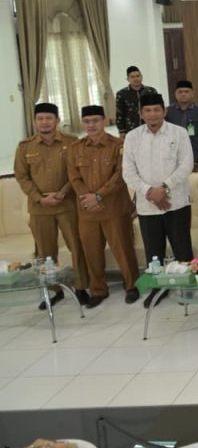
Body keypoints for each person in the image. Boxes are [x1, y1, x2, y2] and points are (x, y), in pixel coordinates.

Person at [122, 93, 194, 307]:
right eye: (147, 110)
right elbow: (128, 172)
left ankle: (187, 288)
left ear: (164, 111)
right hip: (147, 206)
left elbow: (186, 165)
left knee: (182, 249)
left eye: (156, 110)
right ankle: (158, 288)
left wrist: (163, 188)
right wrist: (150, 192)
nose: (152, 114)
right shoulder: (132, 137)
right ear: (141, 114)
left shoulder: (179, 133)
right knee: (154, 253)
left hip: (176, 202)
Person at [15, 103, 89, 308]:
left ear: (57, 120)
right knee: (45, 252)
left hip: (67, 205)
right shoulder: (25, 147)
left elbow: (77, 172)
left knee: (77, 247)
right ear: (34, 122)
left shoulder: (72, 142)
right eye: (40, 119)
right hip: (40, 208)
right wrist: (40, 198)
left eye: (49, 118)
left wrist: (62, 193)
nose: (44, 122)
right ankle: (54, 291)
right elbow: (22, 177)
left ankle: (81, 287)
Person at [66, 105, 139, 307]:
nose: (91, 125)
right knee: (92, 253)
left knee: (123, 249)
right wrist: (88, 198)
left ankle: (132, 286)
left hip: (115, 209)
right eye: (87, 121)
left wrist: (98, 196)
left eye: (96, 121)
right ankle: (98, 290)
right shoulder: (75, 148)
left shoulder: (118, 145)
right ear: (83, 123)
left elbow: (120, 175)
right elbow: (73, 177)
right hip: (87, 211)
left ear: (104, 121)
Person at [165, 79, 198, 167]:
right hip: (173, 155)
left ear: (192, 94)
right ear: (175, 94)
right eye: (180, 92)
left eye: (186, 91)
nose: (183, 94)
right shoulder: (168, 111)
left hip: (196, 154)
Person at [115, 66, 158, 135]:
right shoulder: (122, 94)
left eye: (138, 76)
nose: (136, 79)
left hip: (150, 127)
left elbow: (157, 109)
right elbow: (120, 113)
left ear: (141, 77)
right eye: (132, 77)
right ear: (128, 79)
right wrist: (121, 131)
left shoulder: (151, 91)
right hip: (131, 129)